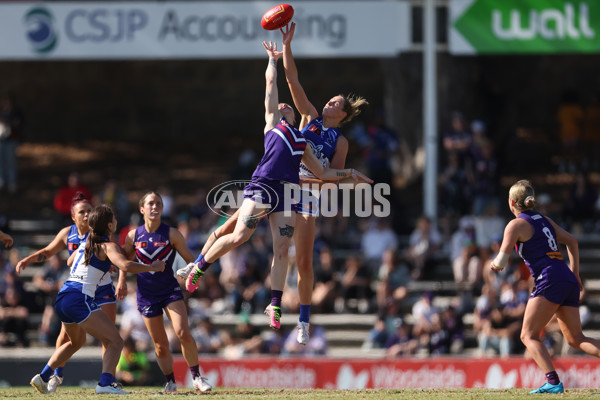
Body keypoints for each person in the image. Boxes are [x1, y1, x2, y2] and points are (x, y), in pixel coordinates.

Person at [182, 40, 370, 334]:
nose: (328, 104)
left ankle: (303, 320)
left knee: (301, 260)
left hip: (303, 194)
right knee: (228, 229)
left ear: (343, 114)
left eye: (335, 103)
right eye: (329, 100)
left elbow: (327, 174)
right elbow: (290, 78)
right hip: (275, 184)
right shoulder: (307, 118)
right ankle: (195, 265)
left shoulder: (339, 141)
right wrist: (286, 45)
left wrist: (348, 175)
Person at [29, 205, 165, 395]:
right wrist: (153, 267)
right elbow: (125, 265)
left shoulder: (86, 243)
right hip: (78, 298)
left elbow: (70, 262)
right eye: (115, 219)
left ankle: (43, 376)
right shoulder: (107, 246)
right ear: (110, 224)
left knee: (75, 342)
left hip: (63, 297)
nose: (117, 222)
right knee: (116, 341)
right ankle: (105, 384)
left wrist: (100, 264)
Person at [490, 179, 600, 394]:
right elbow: (572, 242)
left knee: (528, 336)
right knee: (577, 339)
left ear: (512, 202)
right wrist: (575, 273)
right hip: (565, 277)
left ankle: (552, 382)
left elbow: (501, 261)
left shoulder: (515, 224)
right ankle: (552, 382)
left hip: (548, 278)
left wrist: (494, 265)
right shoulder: (545, 220)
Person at [16, 193, 121, 393]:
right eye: (82, 211)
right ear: (73, 216)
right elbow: (49, 253)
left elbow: (117, 257)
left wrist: (121, 279)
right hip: (80, 289)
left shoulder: (99, 232)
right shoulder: (68, 233)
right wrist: (29, 259)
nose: (87, 214)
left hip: (102, 288)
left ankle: (108, 378)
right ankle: (57, 374)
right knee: (68, 337)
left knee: (108, 336)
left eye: (90, 211)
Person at [122, 191, 212, 393]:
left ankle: (197, 377)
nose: (155, 207)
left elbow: (191, 260)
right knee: (160, 344)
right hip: (146, 294)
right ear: (142, 209)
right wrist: (121, 282)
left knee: (182, 332)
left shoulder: (172, 234)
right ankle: (170, 381)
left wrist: (191, 275)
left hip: (169, 290)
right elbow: (123, 262)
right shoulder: (133, 236)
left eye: (159, 204)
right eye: (151, 203)